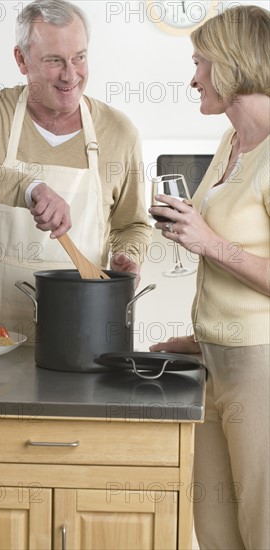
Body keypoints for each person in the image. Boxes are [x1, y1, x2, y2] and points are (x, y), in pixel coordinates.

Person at [0, 0, 151, 339]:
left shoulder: (118, 132)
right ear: (21, 59)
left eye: (80, 57)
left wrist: (126, 256)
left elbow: (132, 224)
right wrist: (29, 188)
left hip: (78, 332)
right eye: (54, 60)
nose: (71, 75)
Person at [149, 5, 269, 549]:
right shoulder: (231, 144)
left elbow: (218, 248)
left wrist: (207, 242)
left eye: (200, 62)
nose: (193, 76)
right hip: (215, 365)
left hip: (261, 369)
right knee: (216, 535)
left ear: (232, 64)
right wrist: (196, 340)